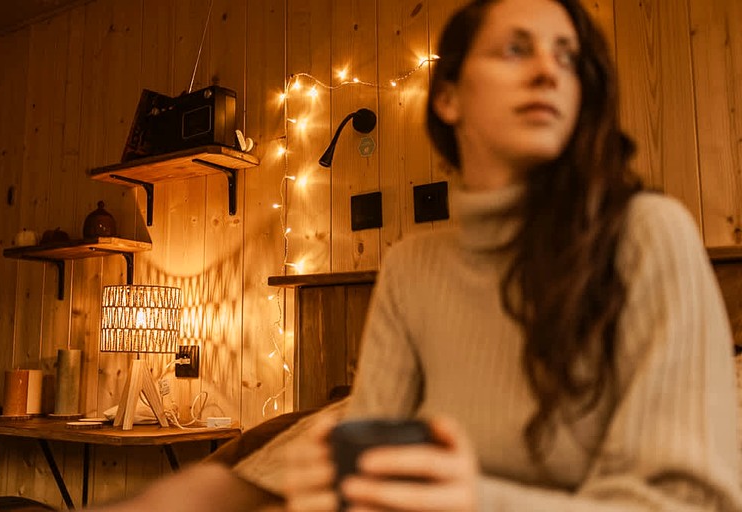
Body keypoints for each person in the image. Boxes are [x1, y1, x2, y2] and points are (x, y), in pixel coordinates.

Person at [264, 0, 742, 510]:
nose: (546, 71)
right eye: (516, 49)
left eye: (568, 59)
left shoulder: (650, 234)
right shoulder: (409, 267)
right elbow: (370, 463)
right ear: (448, 97)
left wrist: (478, 502)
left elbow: (691, 500)